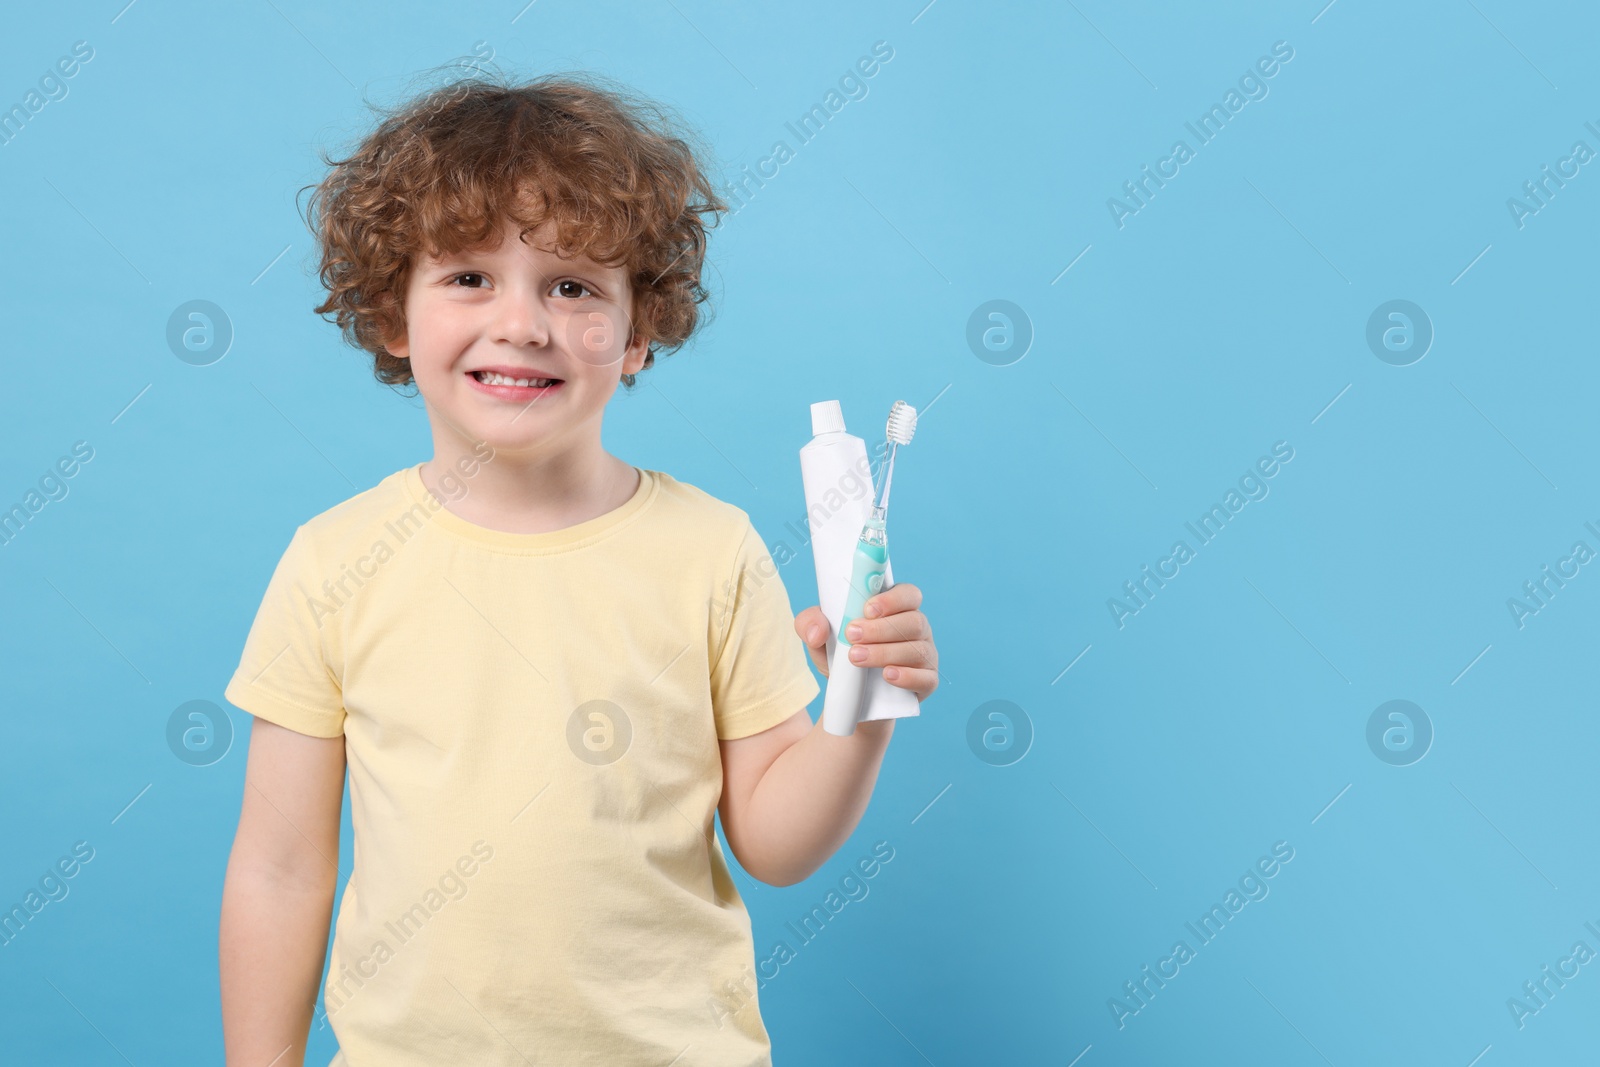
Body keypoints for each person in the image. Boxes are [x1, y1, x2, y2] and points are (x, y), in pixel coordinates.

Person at [217, 69, 939, 1067]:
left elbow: (774, 842)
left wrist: (858, 709)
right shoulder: (333, 560)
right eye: (468, 276)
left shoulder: (711, 550)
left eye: (572, 285)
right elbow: (281, 865)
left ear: (637, 333)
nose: (522, 322)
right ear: (395, 313)